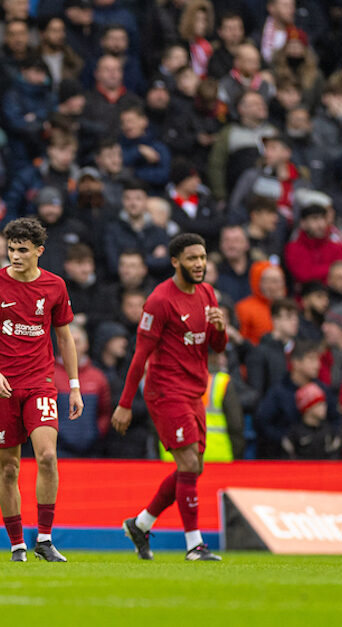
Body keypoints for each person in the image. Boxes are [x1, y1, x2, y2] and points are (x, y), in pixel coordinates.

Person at [0, 217, 82, 562]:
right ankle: (18, 543)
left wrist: (74, 386)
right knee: (9, 467)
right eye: (11, 249)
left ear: (39, 251)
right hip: (4, 386)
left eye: (22, 250)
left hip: (40, 383)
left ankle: (45, 539)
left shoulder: (55, 286)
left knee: (47, 456)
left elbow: (64, 336)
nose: (15, 256)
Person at [114, 233, 228, 561]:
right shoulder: (160, 300)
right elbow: (140, 356)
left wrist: (220, 328)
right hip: (165, 391)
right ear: (176, 261)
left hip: (195, 391)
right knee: (190, 463)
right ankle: (194, 545)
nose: (199, 264)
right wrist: (124, 404)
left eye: (203, 258)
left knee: (192, 467)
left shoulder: (207, 294)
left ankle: (141, 523)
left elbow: (217, 348)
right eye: (192, 258)